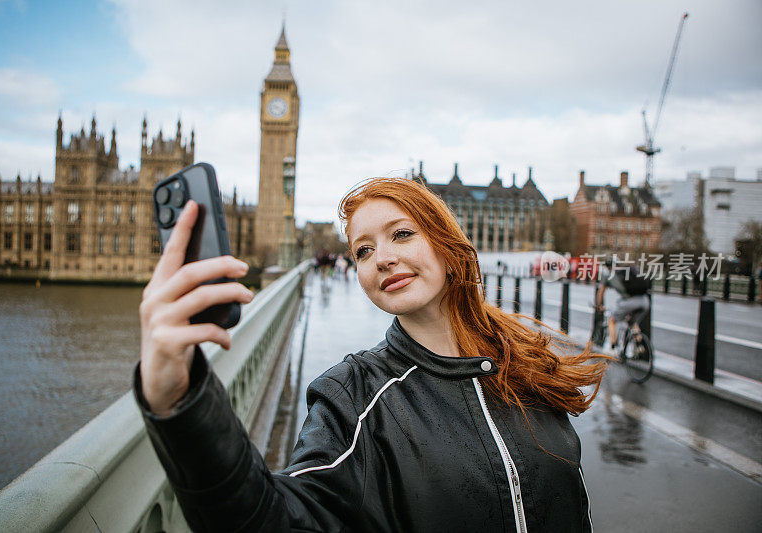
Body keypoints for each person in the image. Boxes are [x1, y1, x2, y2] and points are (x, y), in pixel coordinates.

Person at [135, 177, 608, 532]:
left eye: (401, 234)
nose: (380, 257)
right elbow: (276, 519)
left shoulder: (523, 361)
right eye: (363, 250)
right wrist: (180, 400)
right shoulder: (354, 397)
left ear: (446, 245)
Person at [595, 258, 651, 355]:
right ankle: (639, 345)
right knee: (632, 321)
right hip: (645, 301)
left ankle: (613, 347)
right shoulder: (626, 271)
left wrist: (599, 305)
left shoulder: (607, 274)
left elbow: (601, 292)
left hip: (630, 302)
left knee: (612, 319)